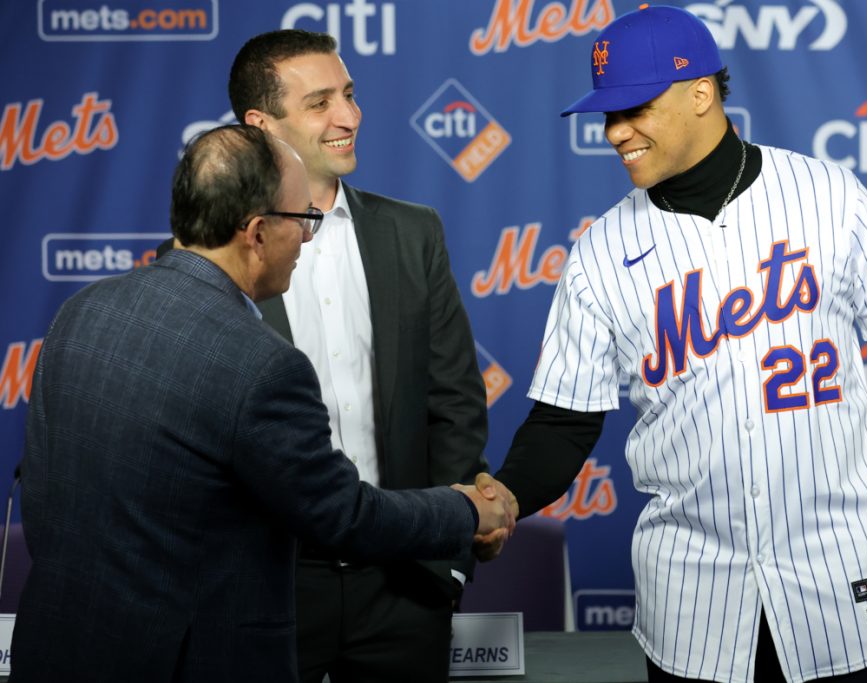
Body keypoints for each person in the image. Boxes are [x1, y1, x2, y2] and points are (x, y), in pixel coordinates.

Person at [475, 5, 867, 682]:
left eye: (635, 108)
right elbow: (565, 422)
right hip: (694, 605)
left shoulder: (827, 197)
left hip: (842, 581)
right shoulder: (600, 253)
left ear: (701, 92)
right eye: (607, 115)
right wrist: (504, 496)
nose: (616, 132)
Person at [12, 125, 511, 683]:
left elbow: (42, 492)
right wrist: (467, 511)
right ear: (255, 232)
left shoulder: (81, 311)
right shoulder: (261, 363)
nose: (307, 239)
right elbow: (341, 515)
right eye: (304, 221)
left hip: (60, 645)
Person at [227, 29, 490, 683]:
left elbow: (454, 402)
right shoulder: (215, 255)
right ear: (260, 124)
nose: (349, 116)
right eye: (319, 103)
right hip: (268, 590)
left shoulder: (413, 231)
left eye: (348, 94)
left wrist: (446, 565)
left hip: (404, 583)